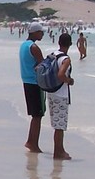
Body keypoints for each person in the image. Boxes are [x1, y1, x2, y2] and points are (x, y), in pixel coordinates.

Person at [48, 33, 75, 160]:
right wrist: (69, 81)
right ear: (70, 44)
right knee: (60, 126)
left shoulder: (53, 55)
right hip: (61, 94)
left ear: (59, 42)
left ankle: (60, 150)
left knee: (57, 125)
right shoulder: (65, 59)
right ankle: (58, 152)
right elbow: (60, 75)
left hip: (51, 92)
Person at [20, 22, 46, 153]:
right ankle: (32, 143)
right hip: (35, 83)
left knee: (35, 114)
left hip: (26, 81)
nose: (42, 34)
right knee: (37, 115)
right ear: (35, 32)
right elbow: (43, 64)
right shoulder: (34, 47)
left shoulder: (23, 45)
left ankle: (32, 141)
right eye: (41, 32)